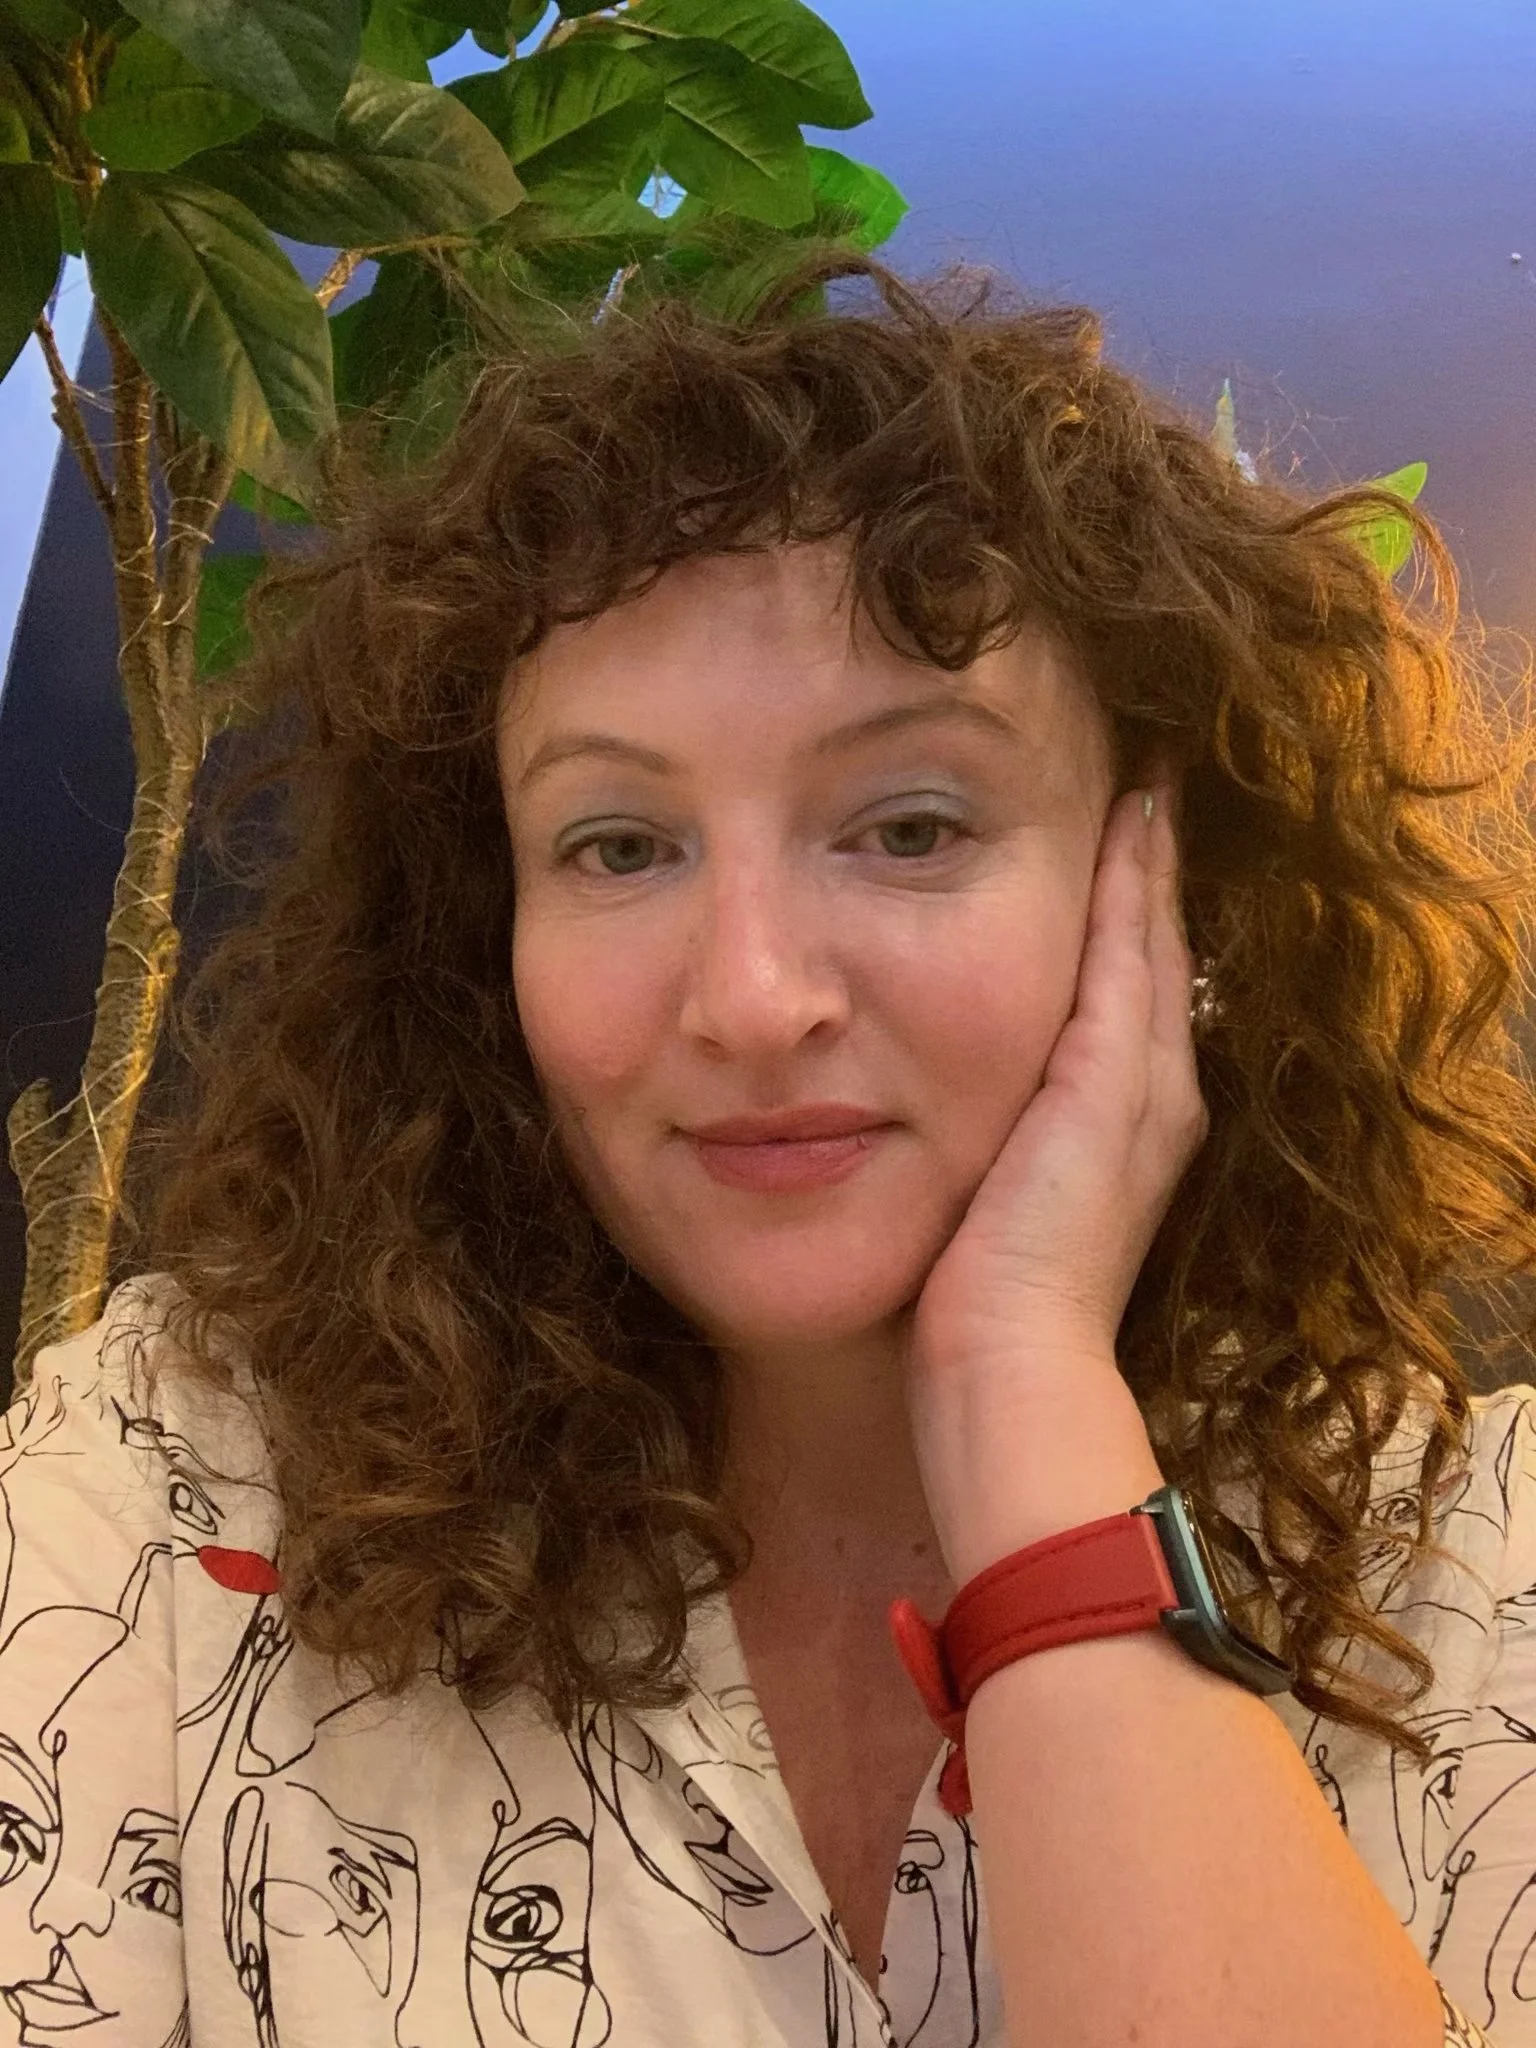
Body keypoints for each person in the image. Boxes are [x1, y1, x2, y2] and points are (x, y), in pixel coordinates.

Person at [3, 247, 1535, 2047]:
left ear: (1174, 893)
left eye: (907, 824)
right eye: (619, 847)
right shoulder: (173, 1486)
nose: (747, 997)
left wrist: (1029, 1404)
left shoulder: (1483, 1567)